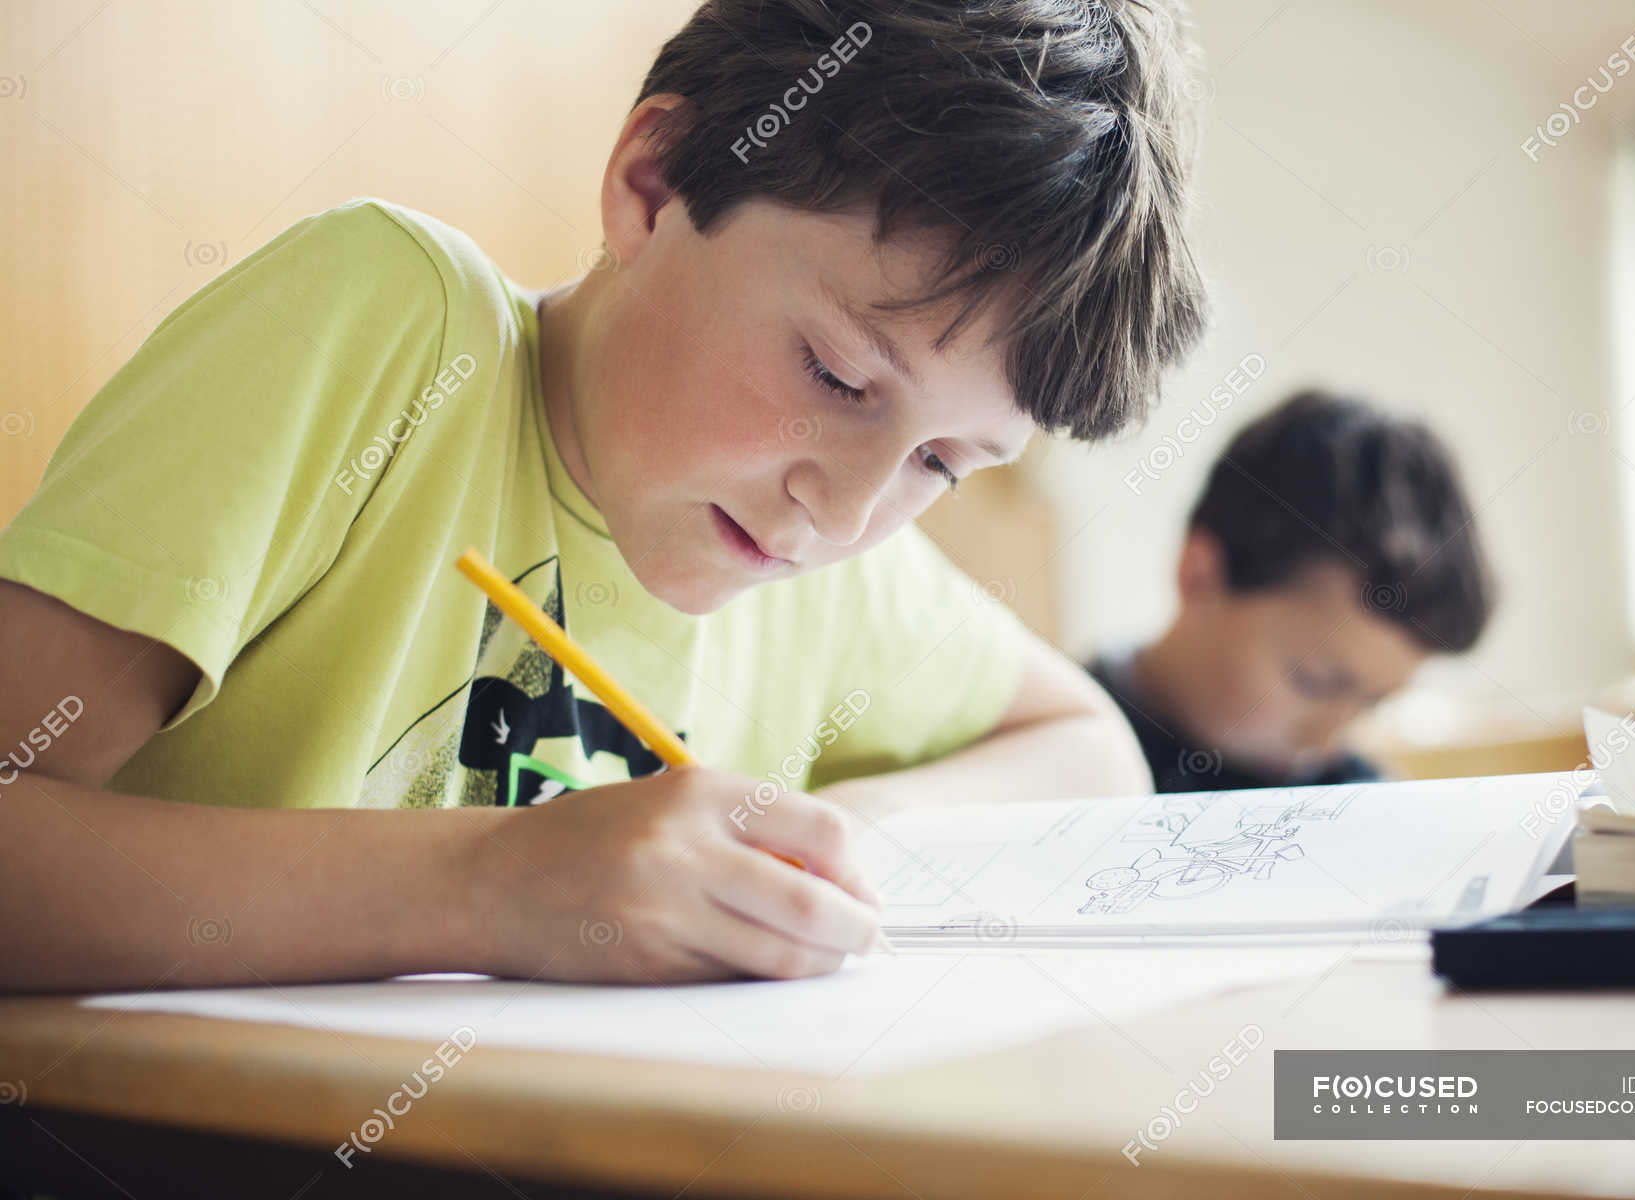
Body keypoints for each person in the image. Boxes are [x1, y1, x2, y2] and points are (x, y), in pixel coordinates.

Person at [0, 0, 1206, 991]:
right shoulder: (399, 332)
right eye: (835, 377)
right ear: (653, 178)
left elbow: (1089, 749)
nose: (843, 514)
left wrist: (803, 852)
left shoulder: (828, 573)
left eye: (941, 466)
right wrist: (485, 886)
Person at [1089, 390, 1493, 793]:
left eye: (1373, 703)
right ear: (1198, 576)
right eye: (1314, 681)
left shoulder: (1359, 801)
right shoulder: (1059, 743)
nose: (1325, 744)